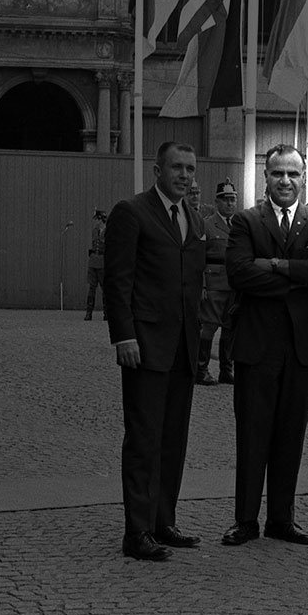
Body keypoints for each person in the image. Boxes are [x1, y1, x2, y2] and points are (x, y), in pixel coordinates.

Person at [219, 145, 308, 548]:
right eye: (277, 174)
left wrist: (275, 266)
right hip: (257, 345)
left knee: (292, 434)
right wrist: (302, 281)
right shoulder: (246, 221)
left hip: (302, 347)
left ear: (303, 178)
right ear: (266, 177)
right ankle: (246, 520)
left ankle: (281, 519)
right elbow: (239, 274)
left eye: (292, 173)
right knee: (252, 434)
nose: (285, 181)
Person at [103, 142, 206, 562]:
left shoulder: (193, 218)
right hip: (144, 346)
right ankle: (138, 531)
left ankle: (165, 520)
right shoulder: (132, 212)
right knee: (144, 438)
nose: (184, 175)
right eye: (176, 167)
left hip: (183, 348)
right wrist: (123, 336)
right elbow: (118, 280)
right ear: (156, 170)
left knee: (174, 438)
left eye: (190, 169)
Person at [196, 181, 237, 385]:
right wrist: (202, 285)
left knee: (230, 329)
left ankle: (226, 370)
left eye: (233, 199)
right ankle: (201, 369)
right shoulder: (207, 224)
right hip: (213, 284)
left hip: (233, 285)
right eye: (226, 199)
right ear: (217, 201)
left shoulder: (239, 225)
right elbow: (199, 257)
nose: (230, 204)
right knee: (209, 328)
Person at [84, 207, 107, 321]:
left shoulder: (109, 231)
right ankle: (89, 312)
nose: (95, 222)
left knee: (105, 288)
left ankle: (106, 313)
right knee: (91, 288)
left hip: (103, 262)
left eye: (96, 220)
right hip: (93, 261)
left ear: (100, 220)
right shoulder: (94, 231)